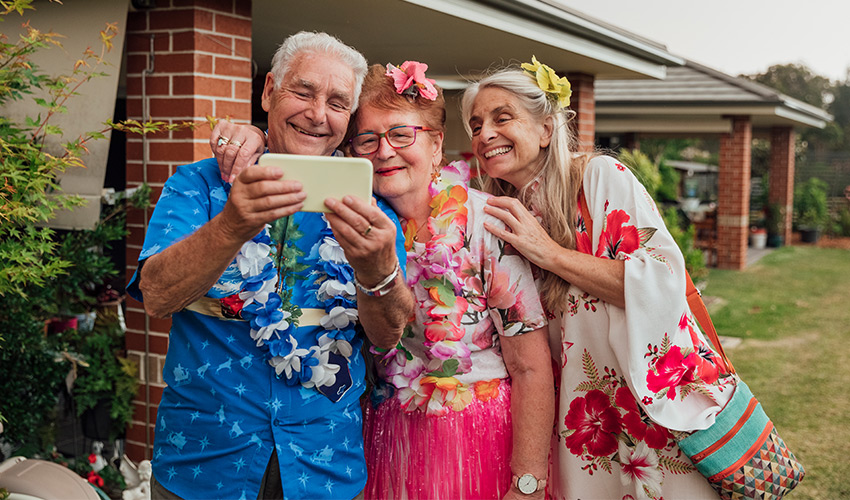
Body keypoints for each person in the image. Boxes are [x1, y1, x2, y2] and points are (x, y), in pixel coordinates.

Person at [214, 61, 554, 500]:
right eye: (368, 139)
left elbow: (531, 365)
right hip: (385, 439)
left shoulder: (485, 223)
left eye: (401, 135)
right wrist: (255, 136)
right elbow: (298, 147)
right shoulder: (340, 214)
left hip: (476, 440)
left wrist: (526, 484)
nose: (384, 151)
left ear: (436, 147)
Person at [127, 32, 413, 500]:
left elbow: (386, 337)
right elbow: (157, 297)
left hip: (324, 468)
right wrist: (231, 226)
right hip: (206, 463)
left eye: (338, 103)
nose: (318, 114)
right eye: (302, 92)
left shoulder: (371, 209)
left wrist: (376, 271)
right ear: (268, 92)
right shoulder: (199, 186)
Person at [460, 58, 736, 499]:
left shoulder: (597, 179)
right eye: (475, 126)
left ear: (547, 130)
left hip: (650, 415)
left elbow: (662, 279)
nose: (484, 134)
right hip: (581, 429)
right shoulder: (495, 218)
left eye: (502, 117)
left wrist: (549, 253)